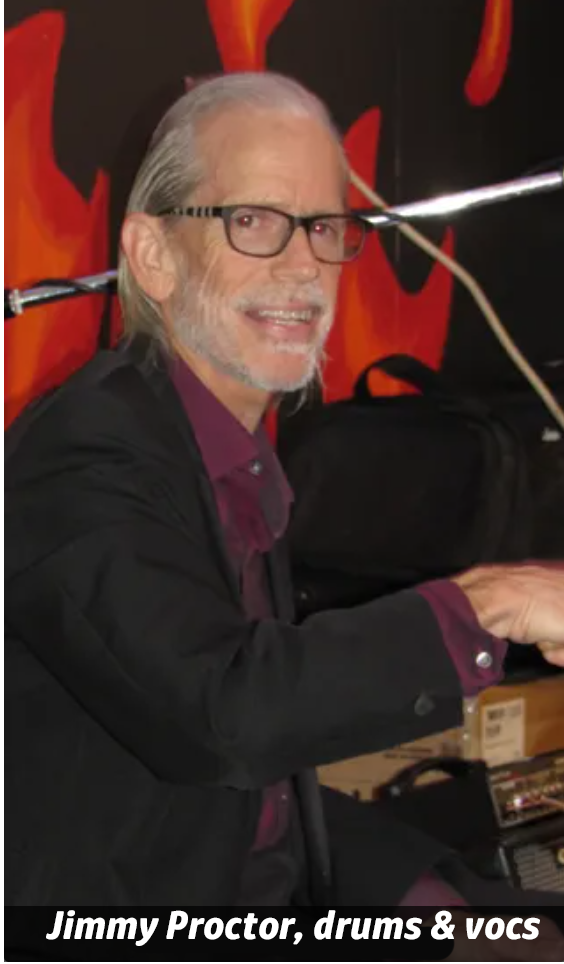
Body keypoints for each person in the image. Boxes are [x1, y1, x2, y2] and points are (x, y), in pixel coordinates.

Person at [5, 72, 564, 914]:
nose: (305, 264)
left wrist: (448, 902)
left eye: (325, 226)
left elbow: (261, 810)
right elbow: (224, 715)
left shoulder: (232, 447)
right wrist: (490, 603)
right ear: (153, 255)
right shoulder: (79, 456)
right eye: (254, 220)